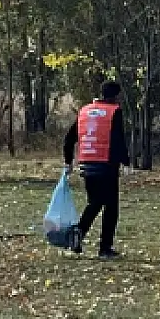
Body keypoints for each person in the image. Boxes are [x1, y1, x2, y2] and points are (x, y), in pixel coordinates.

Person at [62, 81, 130, 259]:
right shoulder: (114, 112)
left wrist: (68, 162)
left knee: (95, 202)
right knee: (111, 207)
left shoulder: (84, 111)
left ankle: (79, 232)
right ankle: (105, 248)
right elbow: (118, 140)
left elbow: (69, 139)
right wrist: (126, 161)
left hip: (87, 164)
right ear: (116, 96)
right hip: (106, 165)